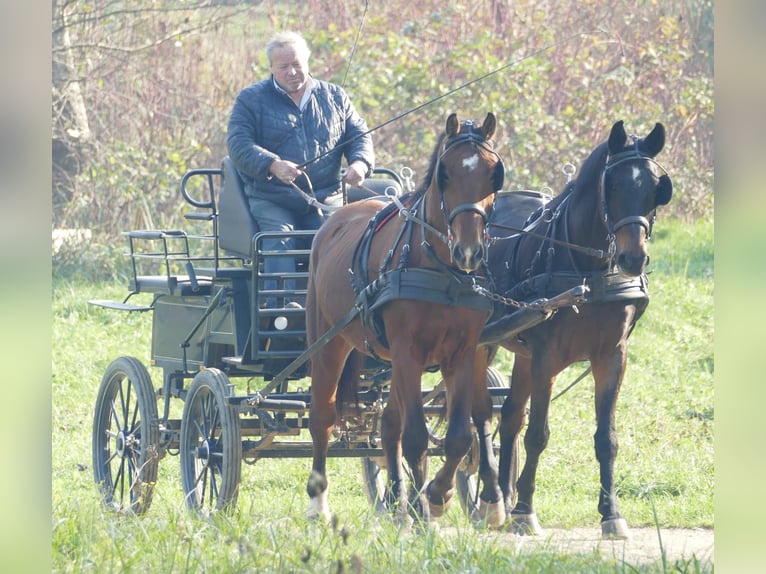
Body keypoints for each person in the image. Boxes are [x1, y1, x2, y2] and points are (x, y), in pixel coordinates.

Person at [227, 31, 374, 307]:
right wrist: (272, 164)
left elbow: (360, 136)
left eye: (297, 64)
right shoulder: (250, 100)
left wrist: (360, 164)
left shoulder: (335, 96)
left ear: (307, 62)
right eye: (284, 67)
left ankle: (345, 309)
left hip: (325, 196)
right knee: (281, 240)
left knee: (342, 242)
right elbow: (238, 144)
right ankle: (279, 312)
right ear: (271, 68)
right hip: (273, 198)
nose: (292, 72)